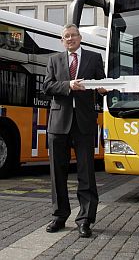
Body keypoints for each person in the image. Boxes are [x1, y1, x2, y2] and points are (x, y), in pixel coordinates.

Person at [43, 24, 106, 238]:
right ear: (62, 41)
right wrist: (69, 85)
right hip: (59, 123)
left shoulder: (94, 58)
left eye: (73, 35)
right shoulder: (54, 60)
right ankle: (59, 216)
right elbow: (48, 86)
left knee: (86, 172)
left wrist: (103, 88)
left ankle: (85, 219)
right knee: (57, 173)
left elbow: (101, 84)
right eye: (66, 36)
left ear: (80, 38)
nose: (70, 39)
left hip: (84, 123)